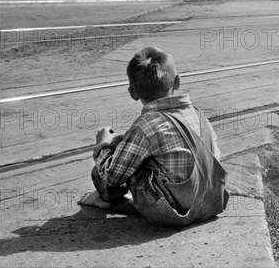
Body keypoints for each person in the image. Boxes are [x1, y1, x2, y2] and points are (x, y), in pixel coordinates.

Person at [79, 47, 228, 227]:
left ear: (133, 93)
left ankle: (103, 198)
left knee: (110, 162)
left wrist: (103, 145)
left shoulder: (146, 124)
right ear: (177, 82)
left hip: (173, 213)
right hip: (210, 205)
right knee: (134, 147)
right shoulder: (198, 114)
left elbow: (113, 177)